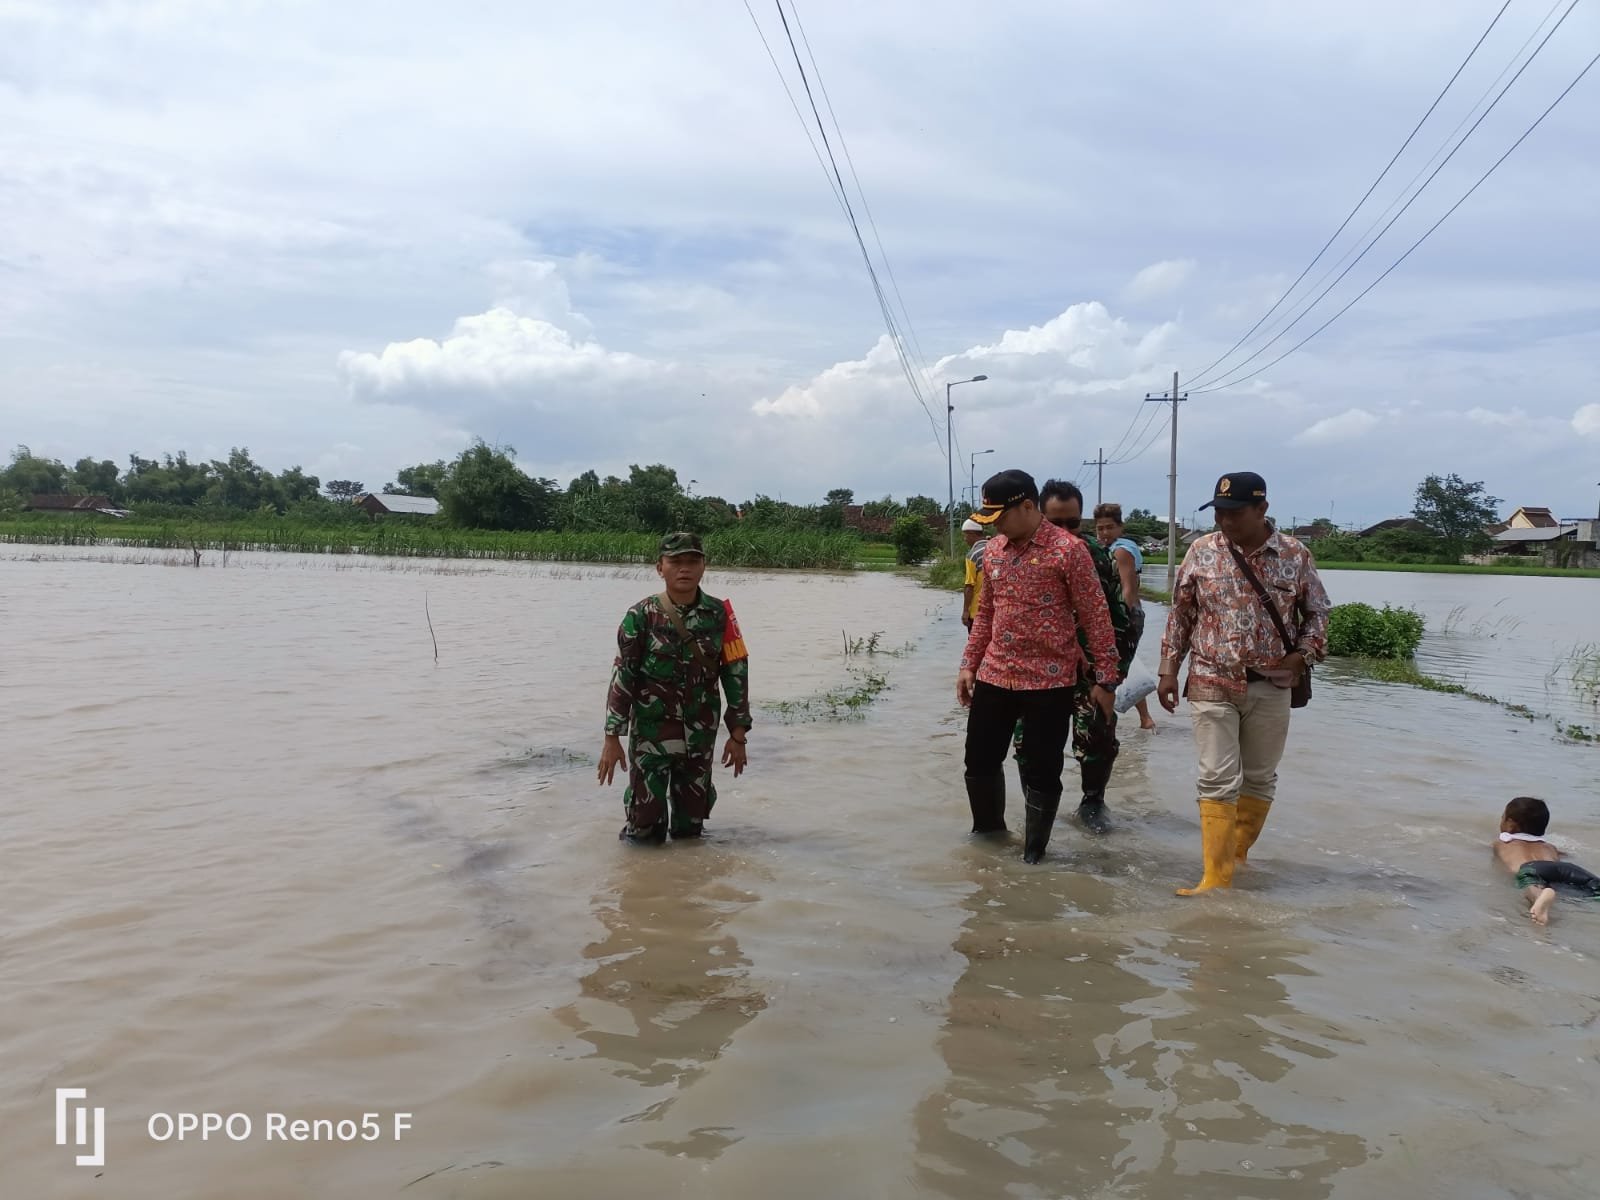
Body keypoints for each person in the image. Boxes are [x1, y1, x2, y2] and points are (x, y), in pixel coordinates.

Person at [1157, 471, 1330, 895]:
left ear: (1262, 509)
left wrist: (1303, 654)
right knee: (1217, 776)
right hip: (1211, 677)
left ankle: (1234, 856)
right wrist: (1167, 669)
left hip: (1272, 682)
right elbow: (1181, 614)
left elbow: (1319, 612)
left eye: (1235, 512)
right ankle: (1214, 879)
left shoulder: (1294, 554)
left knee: (1258, 776)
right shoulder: (1201, 551)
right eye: (1219, 512)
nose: (1225, 520)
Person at [957, 469, 1121, 863]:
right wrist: (968, 664)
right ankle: (989, 837)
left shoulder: (1068, 551)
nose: (994, 525)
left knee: (1042, 769)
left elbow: (1097, 617)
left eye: (999, 516)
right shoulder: (994, 551)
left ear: (1027, 507)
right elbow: (986, 613)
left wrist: (1107, 680)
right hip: (996, 673)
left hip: (1049, 681)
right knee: (978, 759)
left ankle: (1034, 855)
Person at [599, 532, 751, 844]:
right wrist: (612, 735)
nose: (684, 568)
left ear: (704, 566)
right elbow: (623, 675)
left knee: (690, 830)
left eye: (692, 561)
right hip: (650, 739)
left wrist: (738, 734)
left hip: (700, 737)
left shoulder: (721, 615)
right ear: (660, 567)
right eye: (676, 561)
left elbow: (736, 672)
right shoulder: (640, 615)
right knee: (644, 828)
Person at [1017, 480, 1131, 835]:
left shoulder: (1097, 556)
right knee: (1028, 744)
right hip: (1036, 670)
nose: (1066, 533)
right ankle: (1034, 808)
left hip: (1090, 672)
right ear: (1038, 515)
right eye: (1056, 523)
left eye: (1073, 523)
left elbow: (1120, 618)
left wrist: (1111, 677)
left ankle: (1092, 802)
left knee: (1097, 737)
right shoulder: (1021, 554)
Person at [1094, 501, 1157, 731]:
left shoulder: (1121, 550)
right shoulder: (1113, 548)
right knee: (1125, 668)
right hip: (1123, 615)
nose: (1104, 533)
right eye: (1100, 528)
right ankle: (1144, 719)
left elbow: (1128, 588)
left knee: (1113, 670)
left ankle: (1107, 722)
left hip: (1121, 615)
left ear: (1121, 527)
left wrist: (1120, 624)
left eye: (1109, 527)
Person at [1493, 796, 1600, 926]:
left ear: (1510, 824)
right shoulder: (1549, 846)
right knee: (1594, 885)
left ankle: (1540, 897)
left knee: (1531, 883)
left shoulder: (1502, 842)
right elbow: (1564, 854)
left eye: (1502, 818)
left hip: (1531, 869)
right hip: (1563, 868)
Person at [961, 517, 989, 631]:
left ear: (972, 534)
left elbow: (969, 587)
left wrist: (965, 611)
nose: (965, 539)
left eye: (965, 535)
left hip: (977, 611)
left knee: (976, 646)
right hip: (996, 610)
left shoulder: (973, 555)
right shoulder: (996, 548)